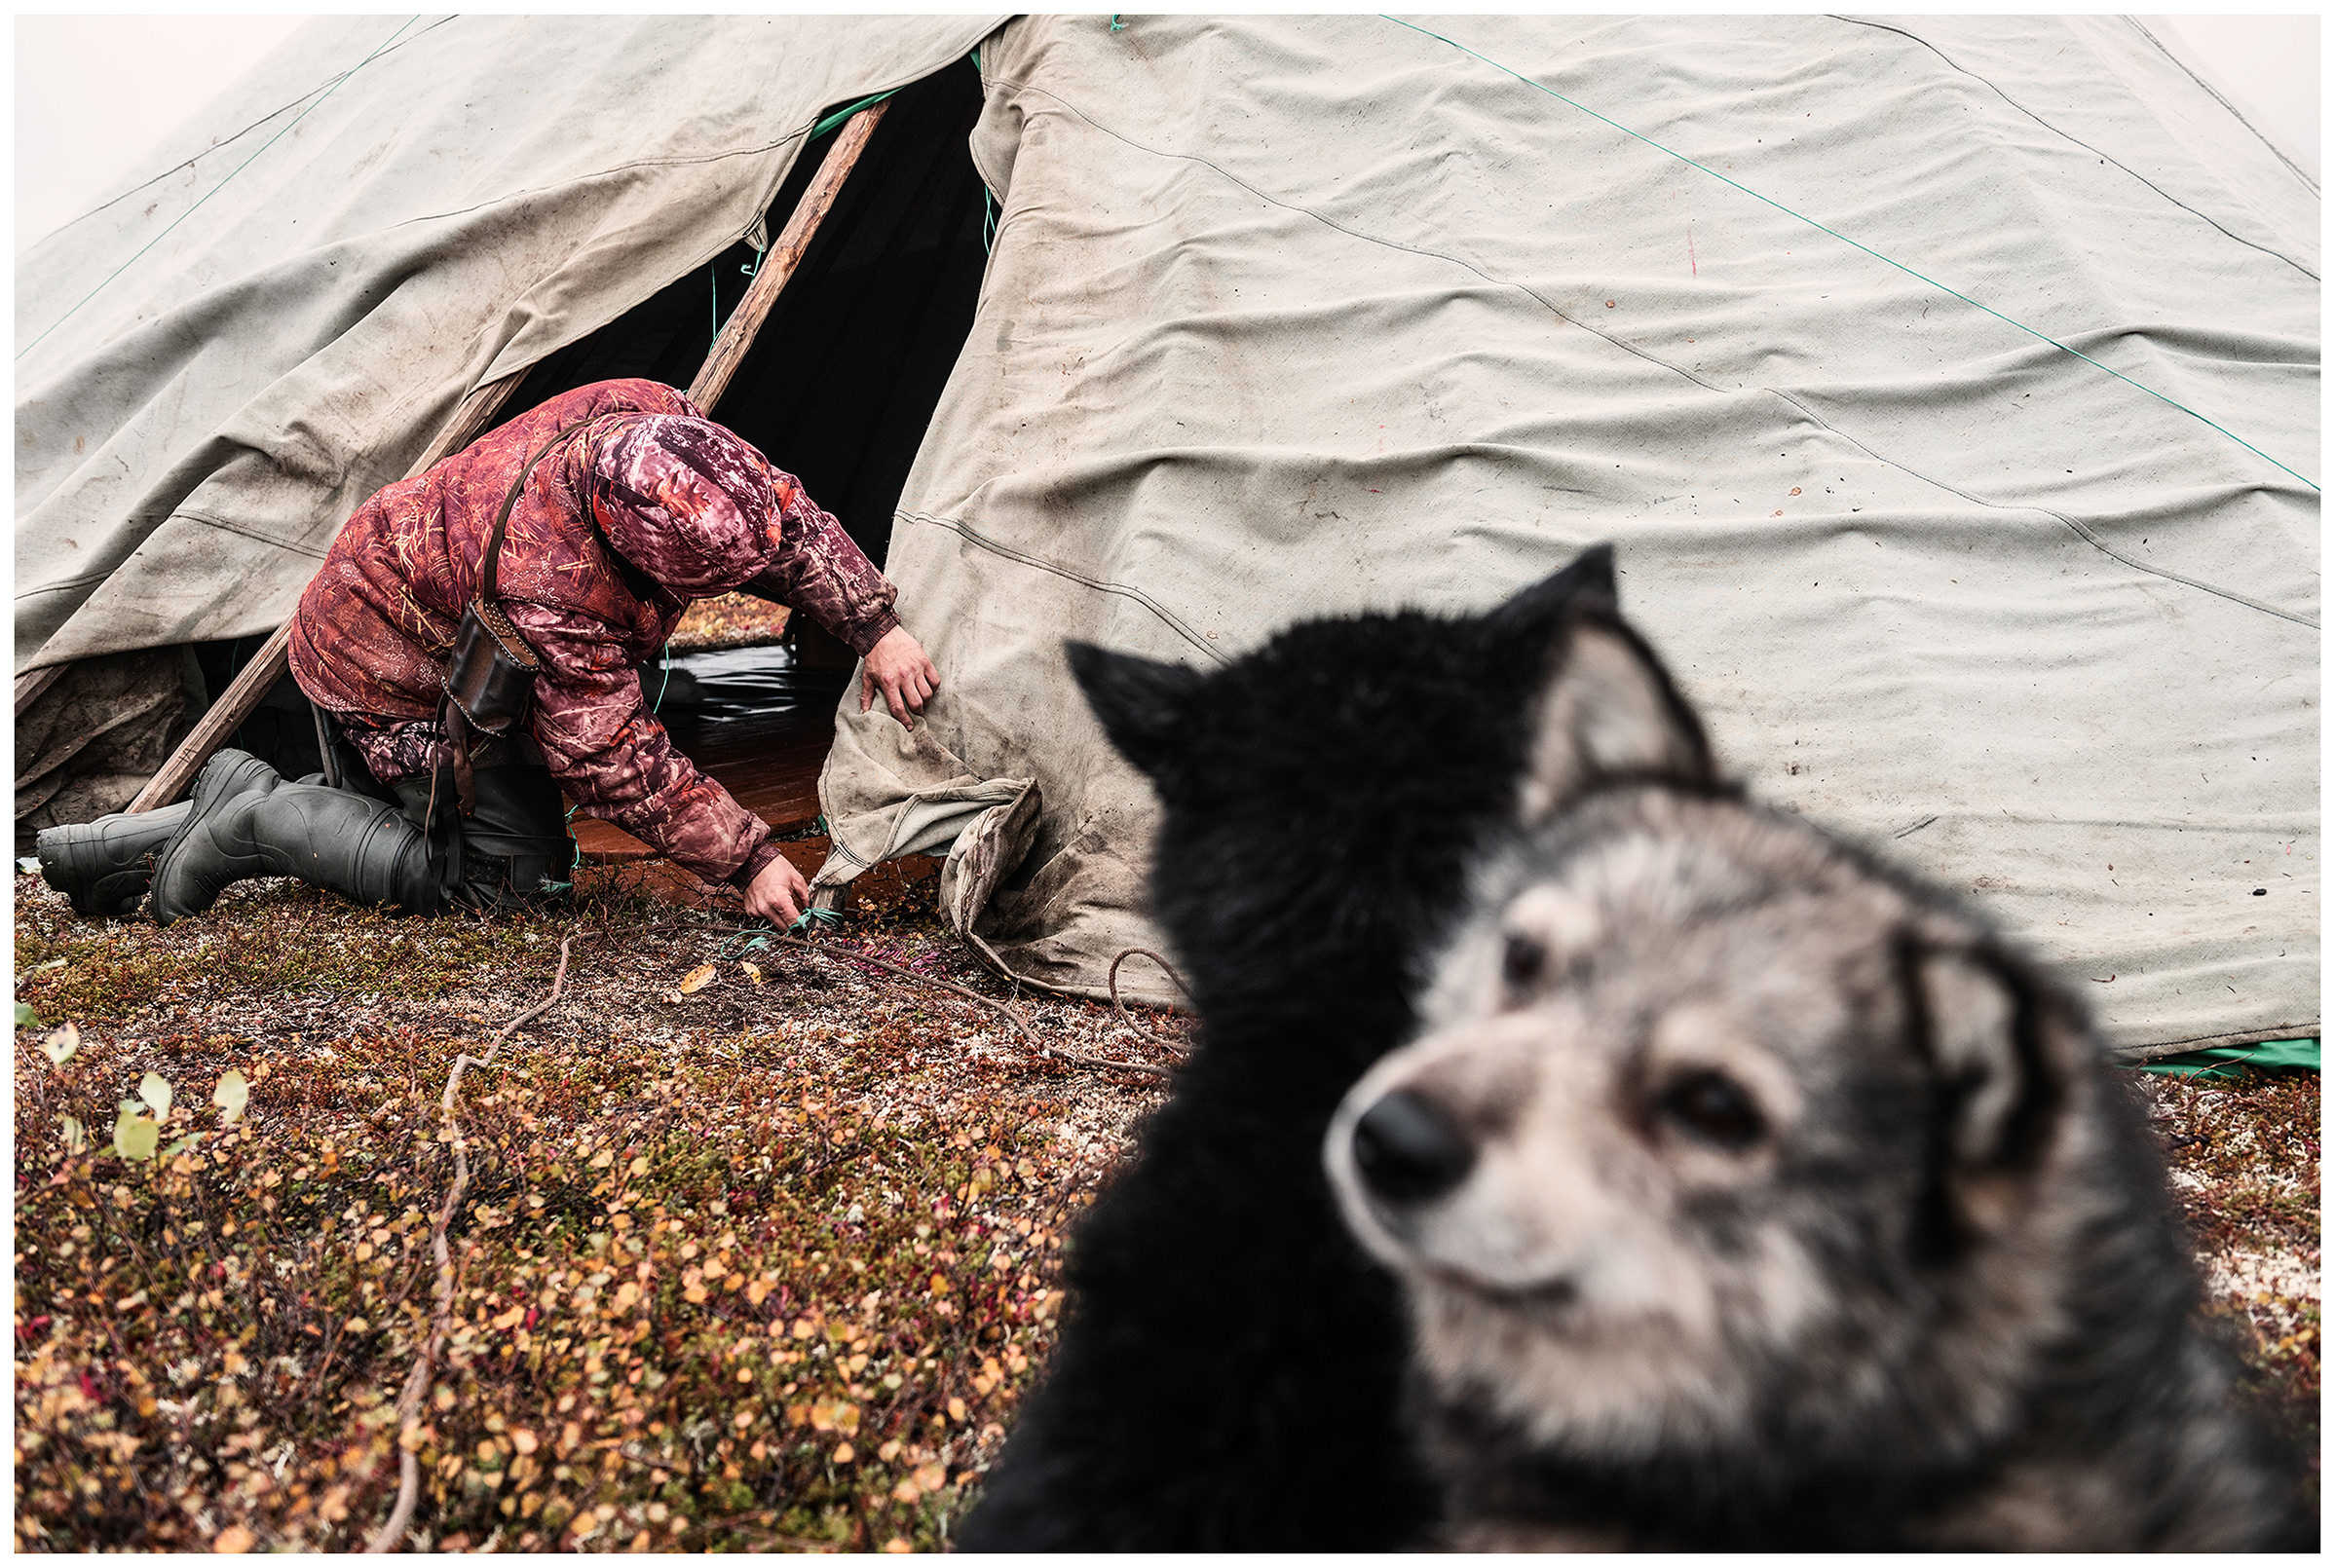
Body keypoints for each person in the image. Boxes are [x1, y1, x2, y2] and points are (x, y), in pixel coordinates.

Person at [36, 379, 937, 929]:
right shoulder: (552, 582)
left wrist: (875, 626)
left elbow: (785, 523)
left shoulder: (660, 428)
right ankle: (253, 820)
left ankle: (96, 852)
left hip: (447, 607)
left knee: (513, 849)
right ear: (634, 555)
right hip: (384, 656)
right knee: (504, 888)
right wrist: (746, 859)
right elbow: (605, 750)